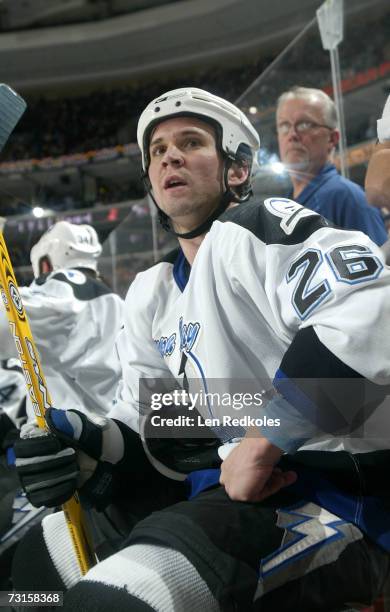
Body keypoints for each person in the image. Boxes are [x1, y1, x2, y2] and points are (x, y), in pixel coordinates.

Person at [11, 88, 390, 611]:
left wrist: (264, 437)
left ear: (236, 169)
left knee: (114, 601)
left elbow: (375, 320)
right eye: (157, 151)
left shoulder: (261, 226)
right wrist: (92, 448)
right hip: (229, 489)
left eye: (190, 142)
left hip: (343, 495)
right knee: (32, 577)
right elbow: (168, 434)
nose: (169, 155)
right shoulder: (152, 290)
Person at [0, 221, 124, 421]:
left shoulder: (65, 284)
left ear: (45, 264)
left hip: (73, 432)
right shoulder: (117, 301)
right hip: (117, 429)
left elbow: (7, 321)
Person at [276, 85, 387, 245]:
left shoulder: (349, 199)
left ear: (332, 138)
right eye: (284, 126)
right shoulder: (284, 205)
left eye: (305, 124)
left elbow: (381, 267)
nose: (292, 134)